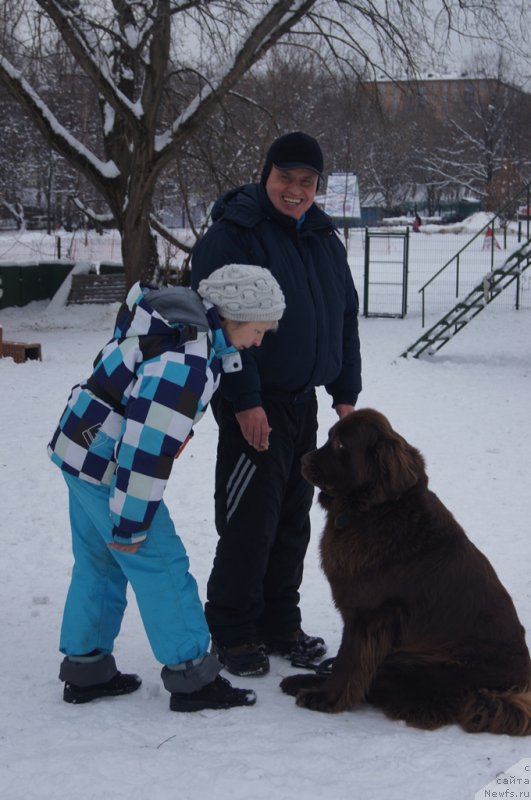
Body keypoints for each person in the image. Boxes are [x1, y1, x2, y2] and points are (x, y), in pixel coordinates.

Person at [47, 264, 285, 711]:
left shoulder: (182, 327)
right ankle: (192, 677)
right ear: (232, 315)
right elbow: (144, 450)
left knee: (100, 561)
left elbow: (214, 355)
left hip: (80, 447)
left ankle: (87, 667)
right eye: (258, 330)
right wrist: (131, 523)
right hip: (110, 463)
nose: (259, 342)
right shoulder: (185, 364)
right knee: (160, 562)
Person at [191, 131, 362, 677]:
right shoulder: (233, 235)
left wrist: (346, 395)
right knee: (250, 518)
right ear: (266, 173)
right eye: (286, 177)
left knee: (292, 517)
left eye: (307, 182)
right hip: (254, 403)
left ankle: (279, 621)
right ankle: (234, 627)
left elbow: (343, 316)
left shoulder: (323, 239)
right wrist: (244, 401)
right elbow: (213, 324)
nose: (295, 190)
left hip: (304, 402)